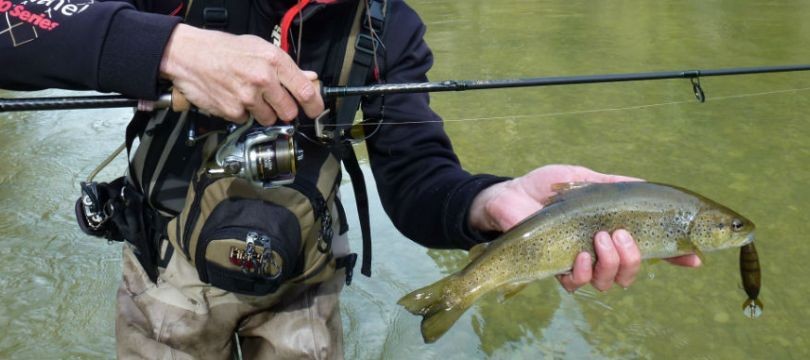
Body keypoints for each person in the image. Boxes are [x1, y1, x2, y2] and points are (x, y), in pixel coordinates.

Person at [1, 0, 700, 358]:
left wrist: (491, 202)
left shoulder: (389, 25)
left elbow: (419, 175)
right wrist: (167, 47)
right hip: (164, 279)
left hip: (307, 287)